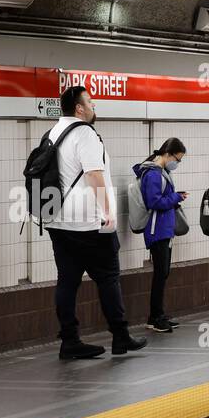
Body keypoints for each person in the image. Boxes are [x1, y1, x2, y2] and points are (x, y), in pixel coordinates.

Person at [46, 85, 146, 359]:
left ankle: (69, 341)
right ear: (79, 108)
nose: (94, 107)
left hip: (58, 221)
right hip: (90, 223)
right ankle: (120, 336)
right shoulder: (84, 133)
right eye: (90, 102)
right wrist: (107, 211)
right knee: (108, 278)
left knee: (67, 281)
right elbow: (93, 174)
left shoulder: (53, 133)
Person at [134, 137, 187, 333]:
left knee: (162, 273)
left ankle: (157, 315)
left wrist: (175, 197)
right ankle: (156, 318)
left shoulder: (161, 172)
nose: (177, 163)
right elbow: (154, 202)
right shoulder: (153, 174)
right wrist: (175, 197)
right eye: (177, 159)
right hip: (157, 230)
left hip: (164, 229)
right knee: (160, 274)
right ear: (168, 154)